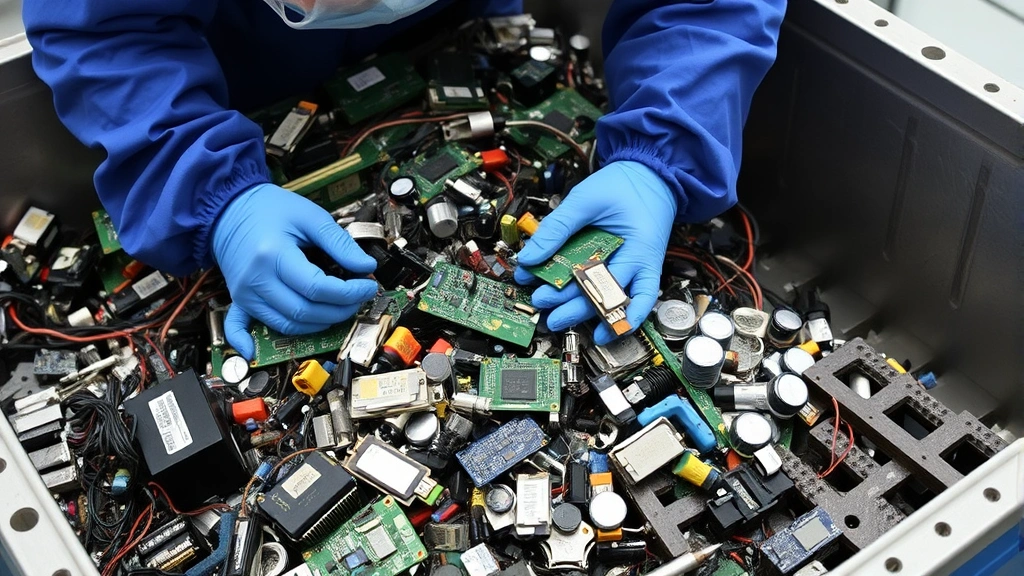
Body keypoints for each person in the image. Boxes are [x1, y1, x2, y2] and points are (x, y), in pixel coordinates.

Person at [23, 0, 785, 359]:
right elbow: (104, 28)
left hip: (457, 34)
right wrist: (209, 192)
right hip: (234, 73)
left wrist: (661, 156)